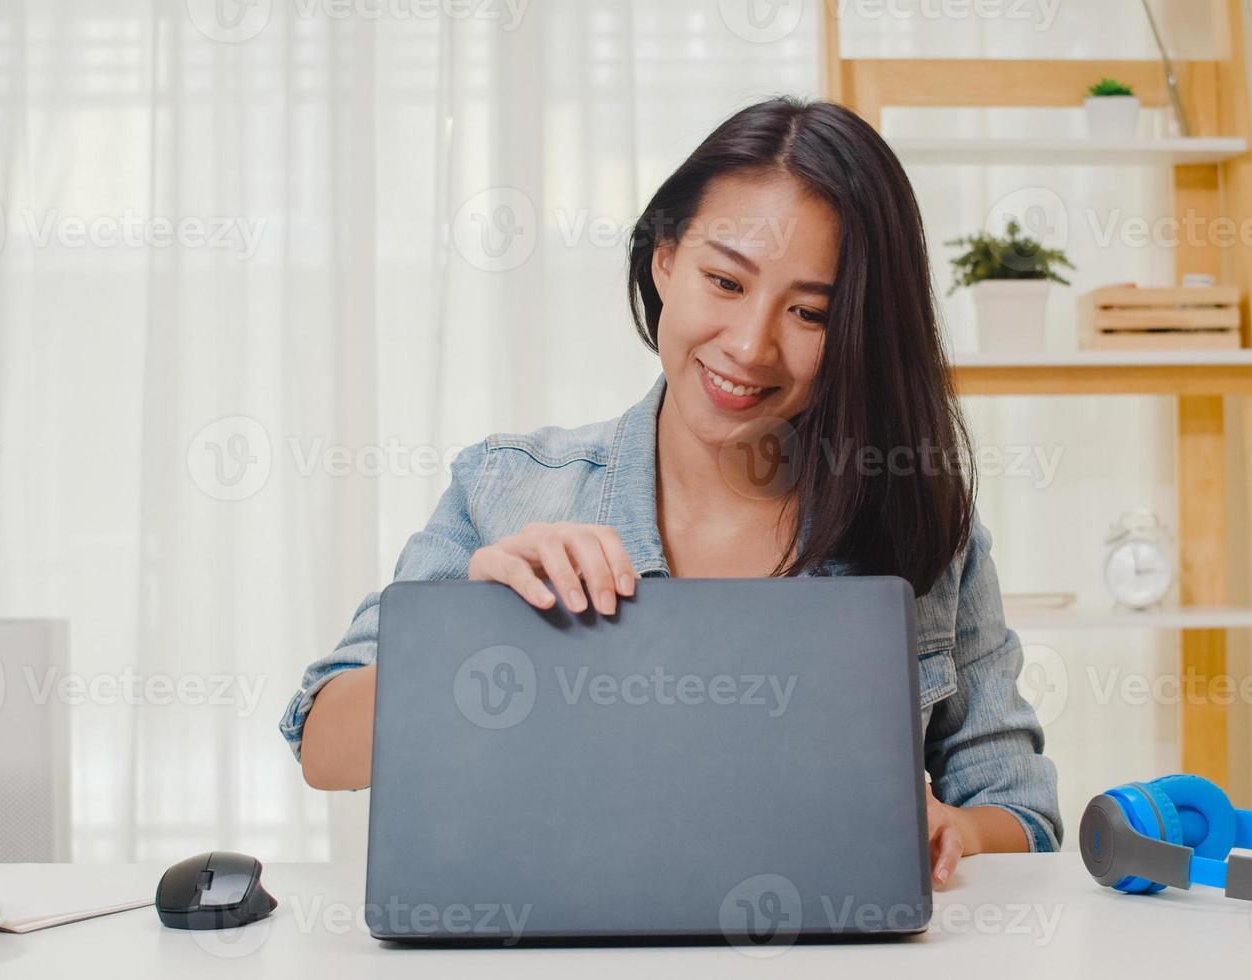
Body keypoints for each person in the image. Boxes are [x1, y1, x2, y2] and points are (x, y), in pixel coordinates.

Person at [280, 96, 1061, 885]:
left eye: (809, 312)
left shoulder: (922, 525)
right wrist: (478, 631)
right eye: (725, 281)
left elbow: (1023, 817)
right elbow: (323, 745)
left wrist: (952, 828)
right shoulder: (506, 487)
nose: (752, 345)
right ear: (664, 262)